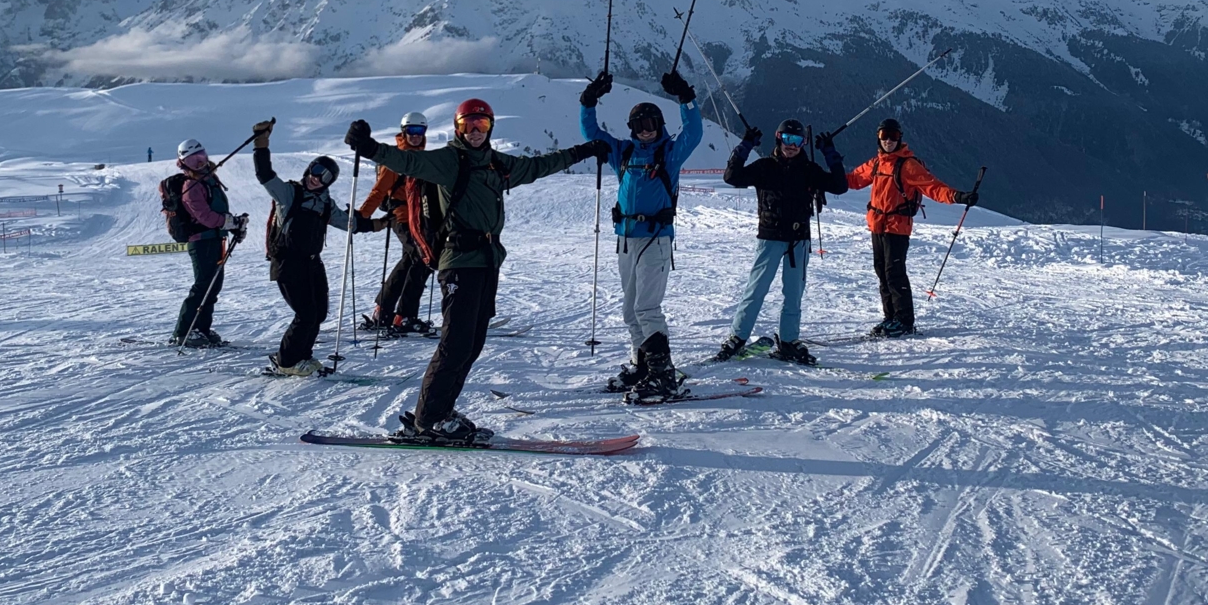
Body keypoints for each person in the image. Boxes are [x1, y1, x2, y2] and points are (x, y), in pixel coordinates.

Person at [347, 99, 608, 443]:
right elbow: (408, 161)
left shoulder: (496, 163)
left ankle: (442, 411)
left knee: (472, 343)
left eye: (481, 125)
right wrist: (368, 147)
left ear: (490, 128)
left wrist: (582, 151)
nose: (474, 131)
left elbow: (538, 166)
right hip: (458, 261)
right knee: (455, 342)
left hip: (487, 261)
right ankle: (429, 419)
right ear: (457, 128)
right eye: (467, 124)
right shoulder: (448, 160)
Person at [580, 69, 703, 400]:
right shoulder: (623, 153)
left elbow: (694, 133)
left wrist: (686, 97)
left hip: (656, 238)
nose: (646, 130)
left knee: (647, 308)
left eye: (651, 124)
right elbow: (592, 132)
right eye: (639, 125)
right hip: (626, 239)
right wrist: (588, 102)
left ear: (660, 126)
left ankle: (664, 377)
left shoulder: (669, 153)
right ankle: (643, 365)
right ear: (631, 128)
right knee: (630, 310)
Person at [252, 119, 384, 376]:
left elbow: (349, 223)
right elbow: (265, 175)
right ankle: (286, 361)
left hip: (312, 262)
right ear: (309, 169)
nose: (317, 178)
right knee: (305, 314)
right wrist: (261, 143)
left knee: (319, 313)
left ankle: (303, 354)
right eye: (316, 170)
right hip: (288, 263)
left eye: (325, 176)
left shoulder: (325, 204)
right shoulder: (289, 193)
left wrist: (379, 224)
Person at [712, 119, 848, 365]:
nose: (791, 145)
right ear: (778, 138)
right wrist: (745, 145)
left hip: (798, 240)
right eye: (787, 139)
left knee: (793, 294)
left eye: (797, 140)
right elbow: (731, 177)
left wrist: (830, 153)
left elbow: (840, 186)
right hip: (770, 238)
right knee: (756, 290)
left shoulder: (809, 169)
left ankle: (788, 341)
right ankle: (737, 337)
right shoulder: (765, 167)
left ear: (803, 143)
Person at [845, 117, 973, 337]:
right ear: (878, 138)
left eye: (893, 136)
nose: (888, 140)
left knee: (894, 272)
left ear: (900, 138)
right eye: (884, 135)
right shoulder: (876, 163)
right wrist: (827, 166)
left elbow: (933, 187)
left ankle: (904, 320)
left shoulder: (907, 165)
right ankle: (890, 317)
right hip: (877, 225)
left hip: (897, 226)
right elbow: (853, 180)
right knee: (882, 271)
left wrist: (958, 196)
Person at [357, 111, 438, 336]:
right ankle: (404, 316)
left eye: (420, 130)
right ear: (404, 131)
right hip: (401, 216)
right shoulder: (395, 159)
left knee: (410, 261)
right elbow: (379, 191)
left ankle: (383, 312)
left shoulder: (423, 158)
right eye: (411, 130)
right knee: (422, 259)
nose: (415, 135)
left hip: (419, 219)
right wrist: (362, 216)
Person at [168, 139, 246, 348]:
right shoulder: (190, 186)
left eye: (201, 156)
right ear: (184, 163)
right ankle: (184, 332)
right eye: (193, 160)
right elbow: (205, 216)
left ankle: (201, 328)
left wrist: (234, 225)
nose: (200, 162)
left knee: (213, 286)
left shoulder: (209, 179)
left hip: (216, 239)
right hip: (201, 241)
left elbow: (217, 211)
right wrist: (230, 222)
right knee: (203, 285)